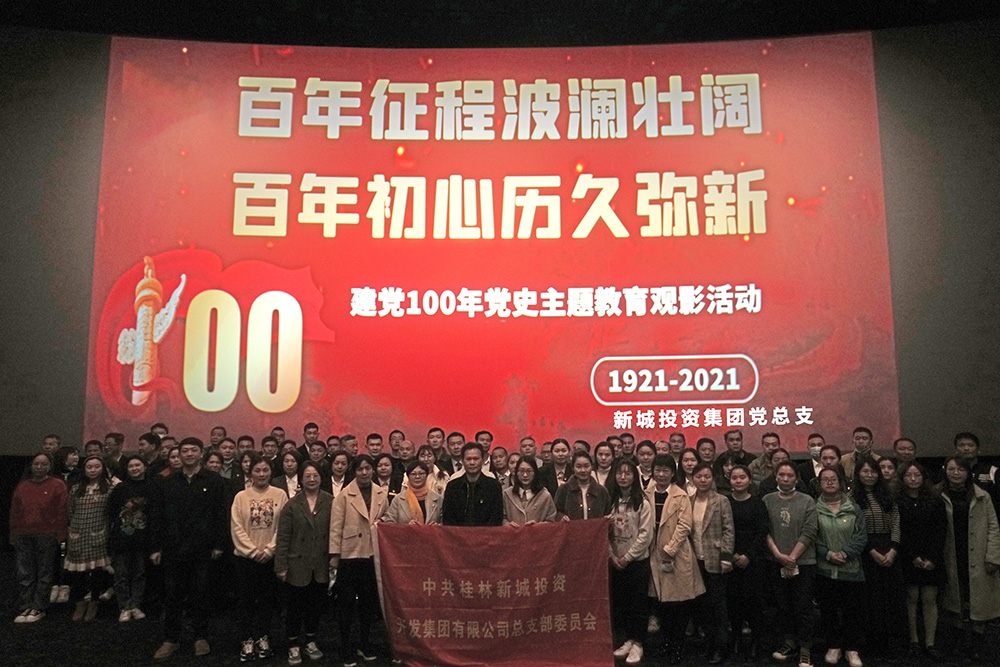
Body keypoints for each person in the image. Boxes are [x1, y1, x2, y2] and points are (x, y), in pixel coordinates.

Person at [150, 437, 227, 660]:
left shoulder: (214, 480)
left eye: (194, 450)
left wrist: (219, 544)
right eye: (185, 451)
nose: (189, 454)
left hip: (203, 549)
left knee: (201, 595)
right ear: (179, 455)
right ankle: (170, 639)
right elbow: (158, 516)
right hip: (173, 549)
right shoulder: (167, 482)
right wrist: (155, 547)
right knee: (172, 596)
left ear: (201, 453)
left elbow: (220, 514)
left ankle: (200, 637)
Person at [938, 456, 1000, 663]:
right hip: (950, 553)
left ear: (968, 473)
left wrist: (993, 556)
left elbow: (993, 527)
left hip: (978, 554)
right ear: (945, 471)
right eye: (951, 469)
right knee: (955, 598)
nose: (956, 473)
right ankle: (957, 643)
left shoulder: (982, 495)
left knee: (978, 601)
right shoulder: (938, 494)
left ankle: (977, 645)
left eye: (960, 470)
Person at [329, 454, 389, 665]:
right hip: (350, 555)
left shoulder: (381, 493)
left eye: (368, 469)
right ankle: (345, 646)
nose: (364, 473)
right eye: (360, 469)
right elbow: (335, 528)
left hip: (372, 555)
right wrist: (334, 556)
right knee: (346, 605)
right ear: (353, 472)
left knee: (368, 604)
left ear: (373, 470)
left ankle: (365, 643)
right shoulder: (344, 496)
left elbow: (387, 519)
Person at [645, 454, 703, 665]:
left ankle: (678, 645)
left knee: (679, 604)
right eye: (658, 470)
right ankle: (667, 642)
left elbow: (685, 525)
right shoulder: (646, 493)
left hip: (676, 555)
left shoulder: (681, 495)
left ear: (672, 473)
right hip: (654, 554)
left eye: (666, 471)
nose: (661, 474)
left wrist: (670, 548)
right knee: (662, 604)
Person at [231, 455, 288, 662]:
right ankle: (246, 640)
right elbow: (236, 527)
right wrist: (253, 552)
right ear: (250, 472)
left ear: (271, 472)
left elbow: (283, 526)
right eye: (257, 470)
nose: (261, 474)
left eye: (265, 470)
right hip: (246, 559)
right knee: (245, 601)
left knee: (267, 601)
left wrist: (270, 550)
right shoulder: (241, 497)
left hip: (270, 558)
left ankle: (263, 637)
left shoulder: (280, 494)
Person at [275, 461, 332, 665]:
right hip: (297, 564)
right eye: (307, 475)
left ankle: (310, 640)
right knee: (294, 607)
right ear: (301, 479)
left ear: (321, 478)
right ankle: (292, 644)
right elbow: (283, 537)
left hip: (321, 563)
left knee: (315, 606)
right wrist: (281, 566)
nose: (312, 479)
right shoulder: (292, 504)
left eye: (315, 475)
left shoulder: (331, 501)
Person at [764, 461, 818, 667]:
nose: (785, 479)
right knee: (783, 605)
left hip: (803, 562)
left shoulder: (807, 500)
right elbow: (764, 530)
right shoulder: (767, 500)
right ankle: (789, 642)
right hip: (775, 561)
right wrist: (779, 556)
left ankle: (805, 647)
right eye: (782, 475)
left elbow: (810, 531)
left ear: (796, 478)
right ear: (775, 477)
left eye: (790, 475)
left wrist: (792, 558)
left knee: (803, 606)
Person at [813, 467, 867, 667]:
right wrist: (827, 554)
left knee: (853, 612)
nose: (829, 482)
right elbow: (812, 535)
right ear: (819, 484)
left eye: (833, 479)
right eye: (825, 479)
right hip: (824, 569)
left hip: (851, 569)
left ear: (840, 482)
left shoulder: (853, 508)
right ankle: (833, 646)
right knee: (828, 611)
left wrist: (845, 553)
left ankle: (852, 649)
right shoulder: (814, 508)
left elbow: (861, 536)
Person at [852, 457, 906, 656]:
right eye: (865, 471)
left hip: (890, 549)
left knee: (890, 598)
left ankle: (890, 642)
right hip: (866, 552)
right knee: (870, 599)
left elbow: (896, 523)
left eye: (873, 471)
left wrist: (893, 549)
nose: (869, 475)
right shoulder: (852, 498)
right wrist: (871, 551)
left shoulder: (887, 494)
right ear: (858, 474)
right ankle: (872, 641)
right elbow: (854, 529)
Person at [896, 461, 946, 660]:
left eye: (917, 475)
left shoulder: (935, 501)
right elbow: (899, 532)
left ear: (924, 478)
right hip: (908, 557)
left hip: (932, 557)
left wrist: (932, 558)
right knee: (911, 598)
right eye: (909, 475)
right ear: (903, 478)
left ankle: (930, 643)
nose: (913, 479)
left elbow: (941, 531)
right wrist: (912, 557)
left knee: (929, 599)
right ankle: (914, 641)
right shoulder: (897, 501)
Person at [11, 453, 67, 624]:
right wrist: (13, 534)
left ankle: (39, 607)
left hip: (47, 535)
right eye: (36, 464)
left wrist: (61, 535)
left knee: (44, 572)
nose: (39, 467)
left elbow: (62, 512)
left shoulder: (57, 485)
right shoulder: (23, 486)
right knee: (24, 572)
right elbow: (15, 511)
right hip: (23, 535)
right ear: (31, 465)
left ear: (49, 466)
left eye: (44, 464)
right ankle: (25, 606)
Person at [689, 463, 735, 664]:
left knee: (718, 606)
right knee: (702, 606)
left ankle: (721, 647)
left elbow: (729, 530)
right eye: (699, 476)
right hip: (696, 560)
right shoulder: (689, 500)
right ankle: (708, 644)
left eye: (707, 476)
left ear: (713, 479)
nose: (703, 480)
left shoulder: (721, 500)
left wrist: (726, 556)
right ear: (693, 479)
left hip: (716, 559)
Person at [65, 455, 117, 623]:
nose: (93, 470)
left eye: (96, 467)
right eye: (89, 467)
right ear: (84, 469)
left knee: (97, 572)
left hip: (99, 533)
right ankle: (80, 603)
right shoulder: (76, 489)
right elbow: (70, 511)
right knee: (78, 573)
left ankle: (94, 602)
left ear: (102, 469)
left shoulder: (109, 488)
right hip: (78, 534)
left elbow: (111, 513)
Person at [726, 465, 768, 664]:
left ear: (750, 480)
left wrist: (748, 555)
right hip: (730, 558)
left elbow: (762, 532)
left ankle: (756, 642)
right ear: (730, 481)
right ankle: (735, 639)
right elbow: (721, 530)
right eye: (734, 477)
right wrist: (733, 555)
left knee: (754, 603)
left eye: (742, 477)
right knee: (733, 602)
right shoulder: (725, 502)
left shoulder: (758, 503)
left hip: (754, 560)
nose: (738, 480)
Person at [106, 455, 155, 623]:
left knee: (140, 573)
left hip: (143, 538)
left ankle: (136, 605)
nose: (134, 468)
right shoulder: (121, 488)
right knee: (121, 574)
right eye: (131, 466)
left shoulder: (152, 486)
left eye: (137, 465)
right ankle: (124, 607)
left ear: (144, 467)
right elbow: (111, 511)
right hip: (122, 538)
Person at [442, 443, 504, 526]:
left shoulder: (493, 486)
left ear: (483, 460)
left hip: (487, 533)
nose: (472, 462)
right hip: (457, 533)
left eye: (476, 459)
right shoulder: (453, 486)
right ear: (462, 461)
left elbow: (496, 517)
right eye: (468, 459)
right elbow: (448, 518)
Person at [554, 451, 611, 521]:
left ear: (592, 467)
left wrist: (608, 518)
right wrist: (561, 517)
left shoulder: (601, 491)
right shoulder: (564, 489)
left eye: (586, 466)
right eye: (578, 467)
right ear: (573, 468)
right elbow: (556, 512)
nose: (583, 470)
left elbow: (607, 513)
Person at [503, 457, 557, 526]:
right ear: (516, 473)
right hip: (513, 532)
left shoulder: (545, 496)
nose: (525, 475)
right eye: (521, 471)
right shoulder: (507, 494)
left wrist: (538, 526)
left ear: (535, 473)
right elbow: (502, 517)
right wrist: (507, 524)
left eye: (529, 471)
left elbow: (552, 521)